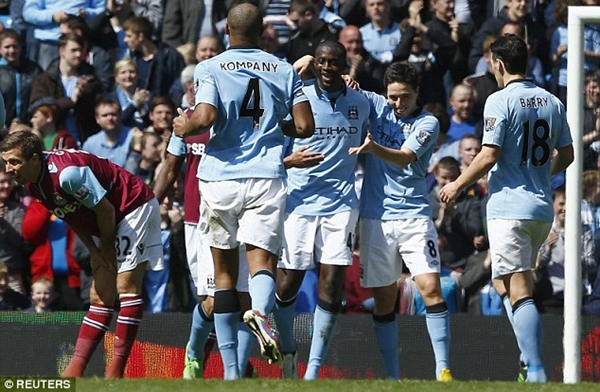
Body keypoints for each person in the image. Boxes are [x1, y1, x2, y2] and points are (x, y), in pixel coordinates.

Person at [172, 2, 314, 380]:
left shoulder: (210, 67)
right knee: (262, 264)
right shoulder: (284, 68)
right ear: (263, 29)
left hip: (220, 178)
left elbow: (205, 117)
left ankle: (231, 374)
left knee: (223, 278)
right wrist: (272, 127)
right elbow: (304, 126)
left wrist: (183, 127)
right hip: (267, 176)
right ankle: (263, 315)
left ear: (227, 32)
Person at [439, 34, 574, 383]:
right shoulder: (551, 101)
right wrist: (541, 174)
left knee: (518, 288)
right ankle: (528, 359)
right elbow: (569, 154)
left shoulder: (500, 101)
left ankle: (536, 369)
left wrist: (457, 184)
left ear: (497, 64)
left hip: (508, 208)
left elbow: (489, 154)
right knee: (504, 283)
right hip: (541, 208)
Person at [0, 130, 164, 378]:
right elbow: (71, 216)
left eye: (14, 161)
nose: (9, 168)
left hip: (131, 206)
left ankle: (116, 371)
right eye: (6, 162)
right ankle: (74, 371)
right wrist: (94, 251)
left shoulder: (68, 175)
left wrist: (106, 248)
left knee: (126, 285)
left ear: (34, 159)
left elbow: (106, 210)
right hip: (102, 218)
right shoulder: (33, 184)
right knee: (100, 294)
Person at [347, 61, 453, 381]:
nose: (397, 104)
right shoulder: (376, 104)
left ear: (417, 92)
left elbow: (404, 156)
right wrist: (346, 81)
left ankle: (443, 369)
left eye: (404, 97)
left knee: (430, 287)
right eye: (392, 97)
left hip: (413, 216)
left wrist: (372, 148)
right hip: (376, 218)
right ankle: (392, 376)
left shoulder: (428, 122)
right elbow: (346, 91)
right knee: (384, 299)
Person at [273, 41, 369, 379]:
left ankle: (313, 372)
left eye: (334, 63)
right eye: (322, 62)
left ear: (344, 65)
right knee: (288, 285)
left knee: (331, 285)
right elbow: (270, 145)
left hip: (341, 204)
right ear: (316, 65)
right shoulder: (298, 99)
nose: (327, 68)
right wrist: (290, 161)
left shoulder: (361, 101)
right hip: (298, 203)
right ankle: (288, 350)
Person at [0, 28, 43, 127]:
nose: (12, 50)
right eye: (7, 47)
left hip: (28, 125)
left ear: (20, 48)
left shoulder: (33, 69)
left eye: (15, 46)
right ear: (0, 49)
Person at [81, 98, 133, 168]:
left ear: (120, 115)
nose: (109, 118)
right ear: (97, 119)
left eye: (113, 114)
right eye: (105, 115)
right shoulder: (90, 144)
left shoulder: (133, 137)